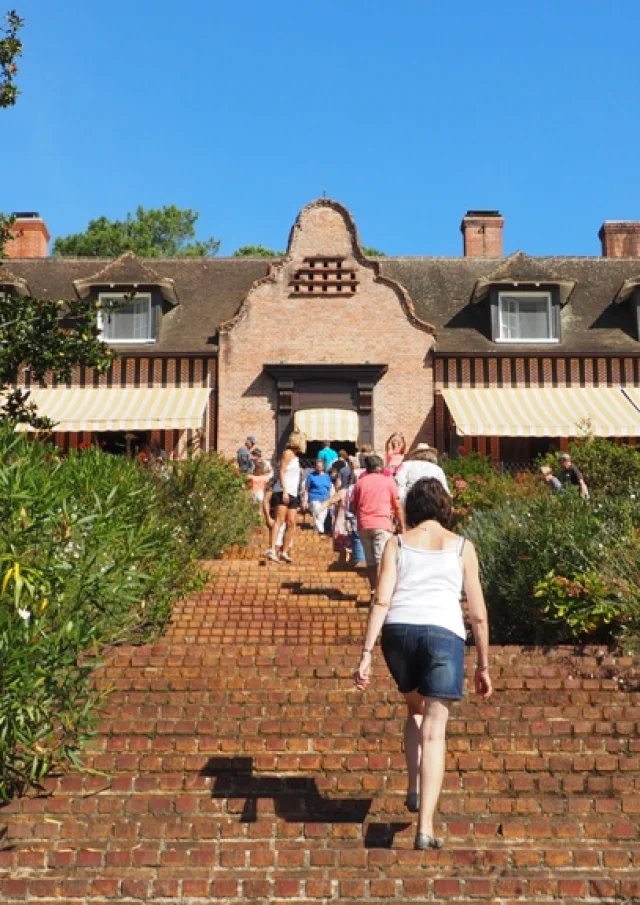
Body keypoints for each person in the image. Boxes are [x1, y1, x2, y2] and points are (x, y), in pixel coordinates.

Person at [353, 478, 492, 851]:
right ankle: (425, 827)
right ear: (445, 507)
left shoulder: (398, 544)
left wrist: (366, 653)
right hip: (444, 634)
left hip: (399, 633)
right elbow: (477, 614)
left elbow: (381, 599)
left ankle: (413, 785)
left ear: (411, 508)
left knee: (414, 708)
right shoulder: (463, 547)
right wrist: (483, 664)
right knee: (435, 730)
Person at [350, 453, 405, 599]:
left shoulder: (360, 483)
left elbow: (352, 506)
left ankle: (374, 588)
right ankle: (381, 591)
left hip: (364, 524)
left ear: (367, 467)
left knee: (370, 560)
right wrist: (402, 525)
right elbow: (397, 505)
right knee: (381, 557)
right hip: (382, 523)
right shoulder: (388, 481)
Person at [265, 430, 307, 563]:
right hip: (283, 490)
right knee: (280, 519)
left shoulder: (296, 457)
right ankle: (272, 549)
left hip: (293, 493)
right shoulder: (287, 453)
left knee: (292, 522)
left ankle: (284, 551)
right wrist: (284, 490)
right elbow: (281, 472)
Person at [303, 458, 334, 534]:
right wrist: (305, 501)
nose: (319, 468)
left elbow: (330, 489)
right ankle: (321, 531)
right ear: (315, 466)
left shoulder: (327, 476)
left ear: (323, 467)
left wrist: (331, 500)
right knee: (318, 513)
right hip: (314, 498)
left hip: (325, 499)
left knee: (323, 516)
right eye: (317, 466)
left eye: (320, 466)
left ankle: (316, 530)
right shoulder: (311, 476)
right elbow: (306, 489)